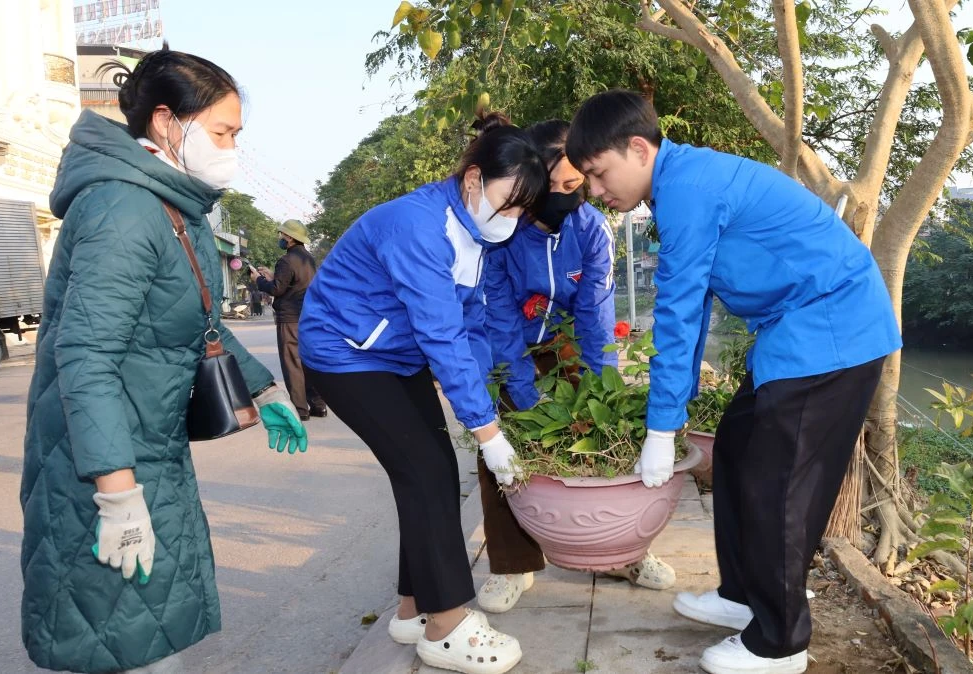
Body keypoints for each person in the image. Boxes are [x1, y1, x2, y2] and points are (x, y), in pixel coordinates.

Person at [565, 90, 902, 674]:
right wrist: (670, 413)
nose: (596, 192)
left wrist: (661, 424)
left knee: (779, 486)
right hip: (797, 330)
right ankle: (743, 595)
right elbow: (691, 309)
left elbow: (676, 306)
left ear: (638, 149)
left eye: (598, 174)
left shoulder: (689, 191)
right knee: (742, 448)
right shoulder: (681, 182)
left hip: (832, 328)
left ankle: (780, 642)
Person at [20, 47, 309, 674]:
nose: (232, 147)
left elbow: (194, 323)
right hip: (100, 462)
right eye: (222, 132)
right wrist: (117, 495)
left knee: (142, 631)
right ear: (165, 122)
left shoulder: (173, 201)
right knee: (124, 637)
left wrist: (262, 391)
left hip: (144, 447)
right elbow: (86, 353)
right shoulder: (123, 209)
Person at [298, 112, 547, 674]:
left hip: (397, 354)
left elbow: (470, 326)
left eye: (520, 210)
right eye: (506, 201)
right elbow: (440, 334)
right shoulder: (417, 225)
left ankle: (413, 609)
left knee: (430, 467)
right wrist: (488, 433)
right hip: (346, 353)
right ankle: (447, 627)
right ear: (472, 179)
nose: (510, 218)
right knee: (427, 471)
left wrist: (495, 405)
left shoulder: (474, 232)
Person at [477, 119, 676, 614]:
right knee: (503, 456)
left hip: (570, 343)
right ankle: (512, 565)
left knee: (603, 436)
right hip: (511, 348)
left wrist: (598, 386)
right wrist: (525, 396)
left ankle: (621, 553)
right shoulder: (500, 234)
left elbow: (596, 312)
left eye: (576, 185)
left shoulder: (591, 229)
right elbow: (499, 319)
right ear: (531, 179)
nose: (567, 196)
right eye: (555, 186)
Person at [253, 219, 326, 420]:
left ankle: (301, 410)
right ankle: (318, 405)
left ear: (290, 238)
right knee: (308, 362)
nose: (280, 238)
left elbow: (277, 289)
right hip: (307, 316)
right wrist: (272, 276)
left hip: (290, 318)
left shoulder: (286, 260)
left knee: (292, 363)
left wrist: (258, 280)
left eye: (282, 235)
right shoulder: (308, 259)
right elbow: (291, 283)